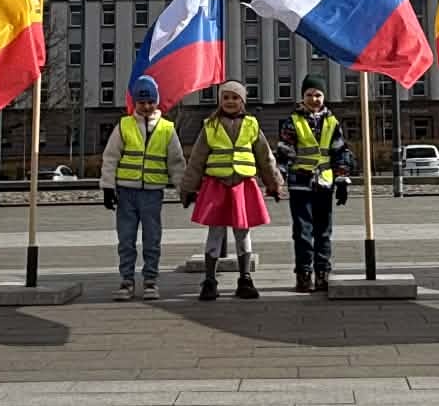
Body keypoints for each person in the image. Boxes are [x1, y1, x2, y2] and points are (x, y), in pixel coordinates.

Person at [180, 81, 282, 302]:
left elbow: (265, 157)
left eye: (235, 97)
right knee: (215, 232)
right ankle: (209, 280)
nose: (230, 101)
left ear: (242, 101)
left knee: (242, 231)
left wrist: (273, 183)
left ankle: (245, 279)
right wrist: (188, 188)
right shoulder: (210, 126)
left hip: (242, 185)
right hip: (216, 185)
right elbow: (197, 160)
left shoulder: (252, 125)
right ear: (220, 101)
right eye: (225, 97)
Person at [101, 75, 186, 300]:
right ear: (135, 103)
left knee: (152, 238)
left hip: (152, 192)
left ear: (157, 101)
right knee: (126, 238)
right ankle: (126, 281)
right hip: (126, 192)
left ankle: (150, 280)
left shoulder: (167, 129)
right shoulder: (124, 125)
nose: (146, 106)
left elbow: (176, 162)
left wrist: (183, 189)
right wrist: (108, 187)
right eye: (141, 102)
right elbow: (110, 157)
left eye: (150, 102)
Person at [275, 73, 350, 294]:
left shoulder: (332, 122)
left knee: (323, 232)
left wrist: (342, 178)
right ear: (302, 96)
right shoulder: (293, 121)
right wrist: (278, 180)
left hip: (324, 185)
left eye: (318, 95)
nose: (314, 99)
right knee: (302, 231)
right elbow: (284, 153)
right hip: (300, 184)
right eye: (309, 94)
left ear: (324, 97)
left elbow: (340, 152)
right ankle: (303, 273)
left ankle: (322, 273)